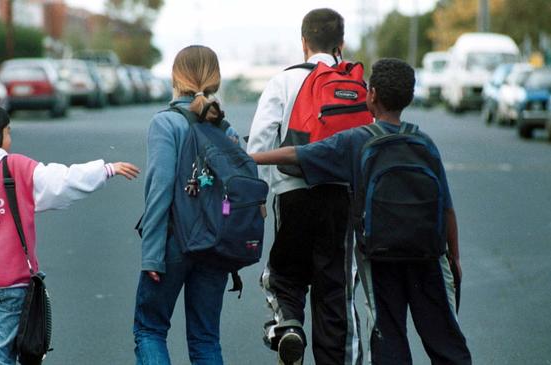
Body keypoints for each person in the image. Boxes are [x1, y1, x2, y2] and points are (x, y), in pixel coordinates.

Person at [251, 58, 473, 365]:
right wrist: (455, 257)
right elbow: (446, 207)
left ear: (372, 95)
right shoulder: (424, 143)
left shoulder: (357, 141)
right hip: (428, 255)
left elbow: (296, 154)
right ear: (408, 96)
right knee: (443, 337)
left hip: (380, 256)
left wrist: (251, 158)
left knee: (389, 335)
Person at [0, 103, 140, 365]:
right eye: (7, 132)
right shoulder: (15, 167)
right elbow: (62, 181)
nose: (10, 139)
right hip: (10, 285)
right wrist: (105, 170)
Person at [246, 8, 360, 365]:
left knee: (285, 272)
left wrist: (258, 196)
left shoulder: (283, 81)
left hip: (292, 192)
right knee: (334, 287)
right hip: (341, 195)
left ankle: (290, 326)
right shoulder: (357, 83)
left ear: (303, 43)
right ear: (340, 43)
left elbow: (260, 145)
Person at [133, 45, 239, 365]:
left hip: (174, 242)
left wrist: (152, 255)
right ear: (216, 80)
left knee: (150, 329)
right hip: (215, 245)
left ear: (175, 78)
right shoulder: (226, 129)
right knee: (206, 338)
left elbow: (159, 191)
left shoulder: (166, 123)